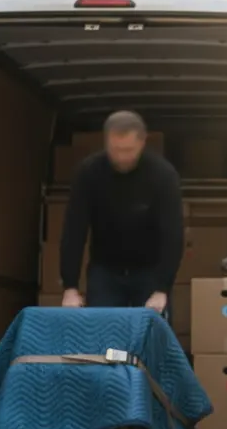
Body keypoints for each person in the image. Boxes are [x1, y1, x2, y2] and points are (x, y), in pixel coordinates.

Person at [60, 110, 184, 311]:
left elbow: (173, 234)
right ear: (106, 142)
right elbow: (74, 230)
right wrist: (70, 286)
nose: (121, 157)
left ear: (142, 142)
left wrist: (163, 288)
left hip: (149, 271)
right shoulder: (89, 173)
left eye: (128, 150)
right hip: (105, 271)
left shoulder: (163, 175)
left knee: (150, 338)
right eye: (115, 149)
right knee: (103, 337)